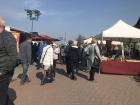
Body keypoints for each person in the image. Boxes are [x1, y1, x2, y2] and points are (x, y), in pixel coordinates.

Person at [0, 17, 18, 105]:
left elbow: (14, 57)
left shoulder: (7, 36)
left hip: (4, 74)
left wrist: (2, 72)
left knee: (1, 99)